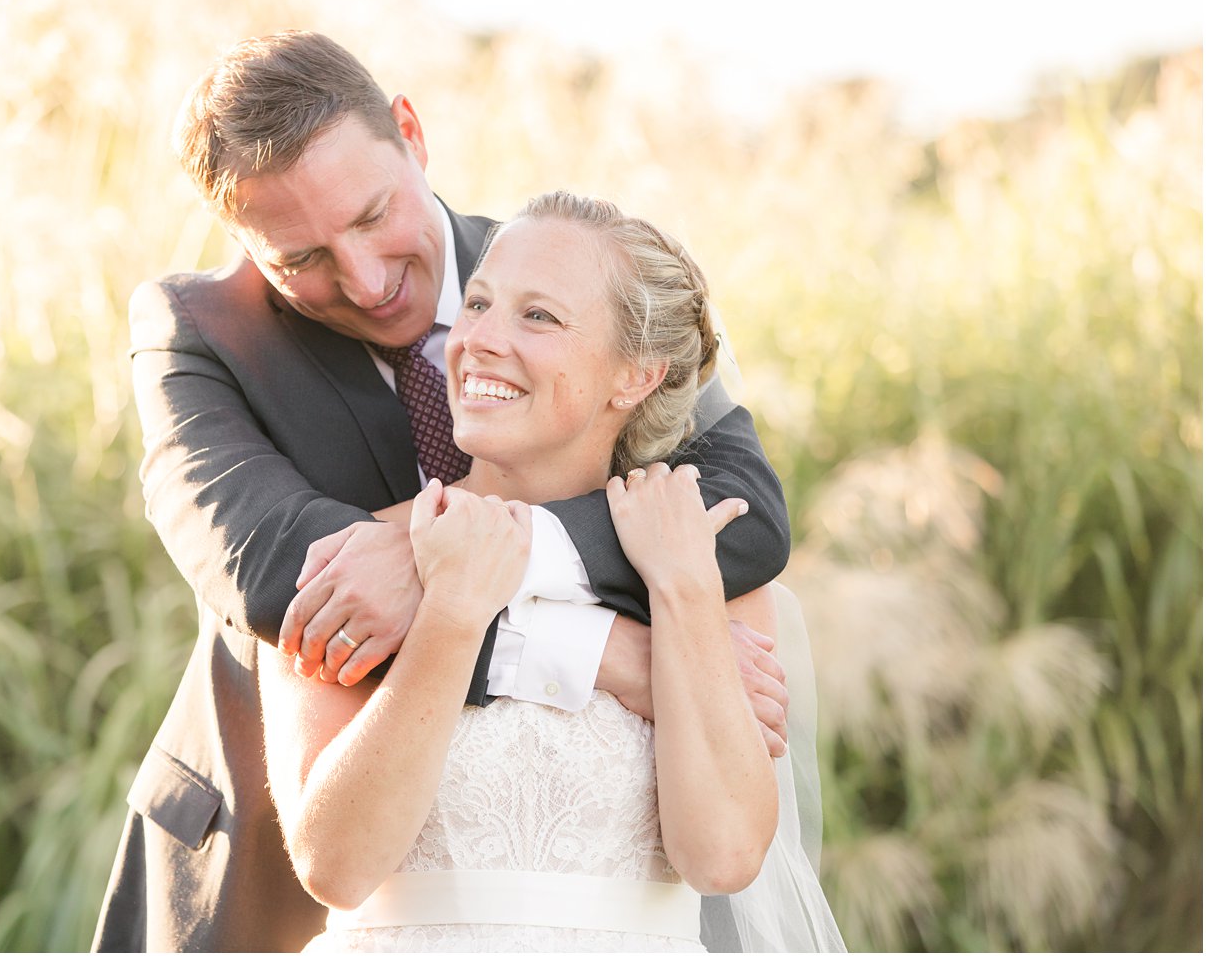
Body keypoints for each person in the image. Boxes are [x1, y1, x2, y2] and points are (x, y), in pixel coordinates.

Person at [92, 31, 794, 953]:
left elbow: (742, 510)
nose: (365, 280)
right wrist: (604, 651)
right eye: (299, 258)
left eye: (374, 215)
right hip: (269, 854)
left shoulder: (588, 273)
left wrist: (491, 550)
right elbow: (287, 579)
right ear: (242, 239)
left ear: (412, 136)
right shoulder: (201, 334)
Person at [263, 192, 844, 952]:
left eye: (538, 316)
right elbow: (333, 865)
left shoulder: (697, 560)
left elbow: (724, 854)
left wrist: (683, 588)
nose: (478, 341)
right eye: (477, 303)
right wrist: (452, 616)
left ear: (635, 375)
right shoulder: (363, 564)